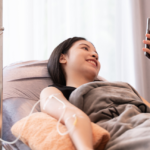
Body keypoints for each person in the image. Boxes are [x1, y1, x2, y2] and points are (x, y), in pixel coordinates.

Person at [40, 36, 150, 150]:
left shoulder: (124, 87)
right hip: (131, 137)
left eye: (96, 53)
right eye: (85, 48)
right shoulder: (54, 91)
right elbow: (73, 116)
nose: (95, 55)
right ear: (62, 58)